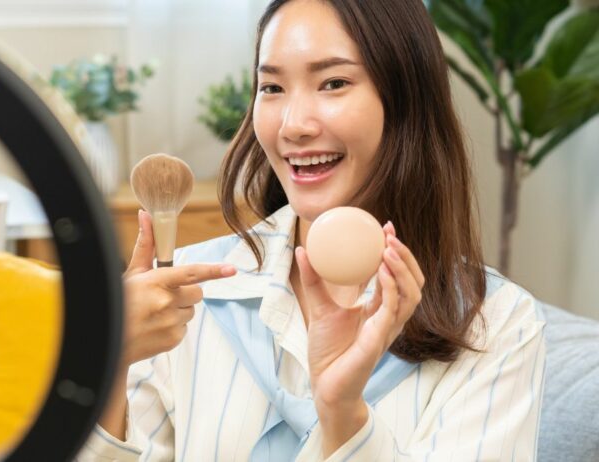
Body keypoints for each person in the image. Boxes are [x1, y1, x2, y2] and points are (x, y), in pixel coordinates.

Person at [77, 0, 546, 460]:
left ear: (406, 99)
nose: (293, 125)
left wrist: (343, 414)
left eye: (333, 83)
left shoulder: (498, 324)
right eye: (272, 87)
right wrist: (111, 361)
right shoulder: (181, 296)